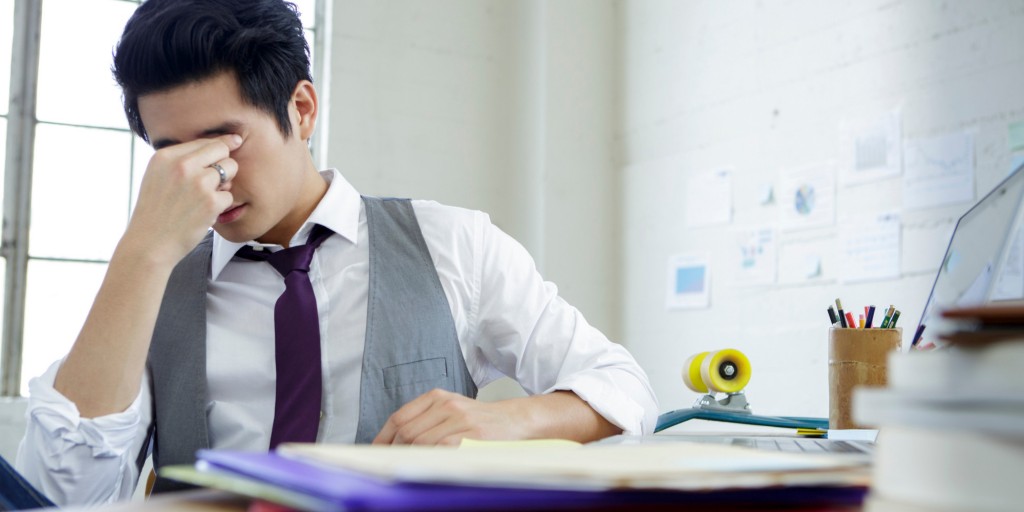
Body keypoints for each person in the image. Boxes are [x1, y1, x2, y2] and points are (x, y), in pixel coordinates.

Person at [14, 0, 658, 506]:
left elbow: (622, 389)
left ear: (301, 108)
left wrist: (512, 422)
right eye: (171, 154)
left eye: (222, 141)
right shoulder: (153, 282)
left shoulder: (451, 242)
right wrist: (142, 253)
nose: (207, 176)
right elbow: (66, 496)